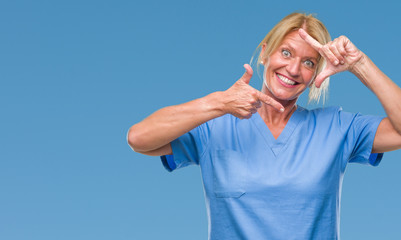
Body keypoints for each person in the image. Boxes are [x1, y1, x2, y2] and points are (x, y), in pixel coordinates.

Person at [127, 12, 401, 239]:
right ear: (264, 54)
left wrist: (360, 65)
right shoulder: (215, 127)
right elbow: (139, 138)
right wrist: (218, 103)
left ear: (316, 73)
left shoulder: (338, 128)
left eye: (308, 62)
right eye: (286, 52)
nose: (293, 69)